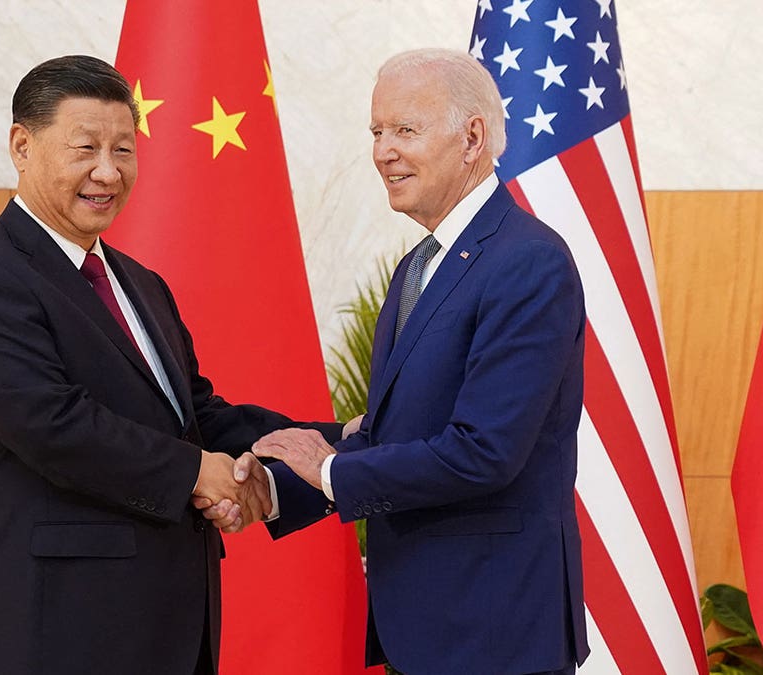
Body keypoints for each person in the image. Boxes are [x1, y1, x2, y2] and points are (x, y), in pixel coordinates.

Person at [0, 55, 335, 675]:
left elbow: (194, 414)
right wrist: (200, 474)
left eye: (124, 150)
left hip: (173, 623)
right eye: (85, 148)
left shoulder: (140, 283)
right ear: (22, 145)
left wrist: (322, 448)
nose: (108, 171)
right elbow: (54, 426)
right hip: (61, 631)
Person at [213, 48, 591, 674]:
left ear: (472, 137)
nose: (382, 151)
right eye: (376, 132)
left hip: (493, 632)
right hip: (427, 625)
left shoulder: (528, 261)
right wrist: (279, 489)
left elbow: (483, 452)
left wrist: (329, 471)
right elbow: (394, 435)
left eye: (404, 130)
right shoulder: (419, 264)